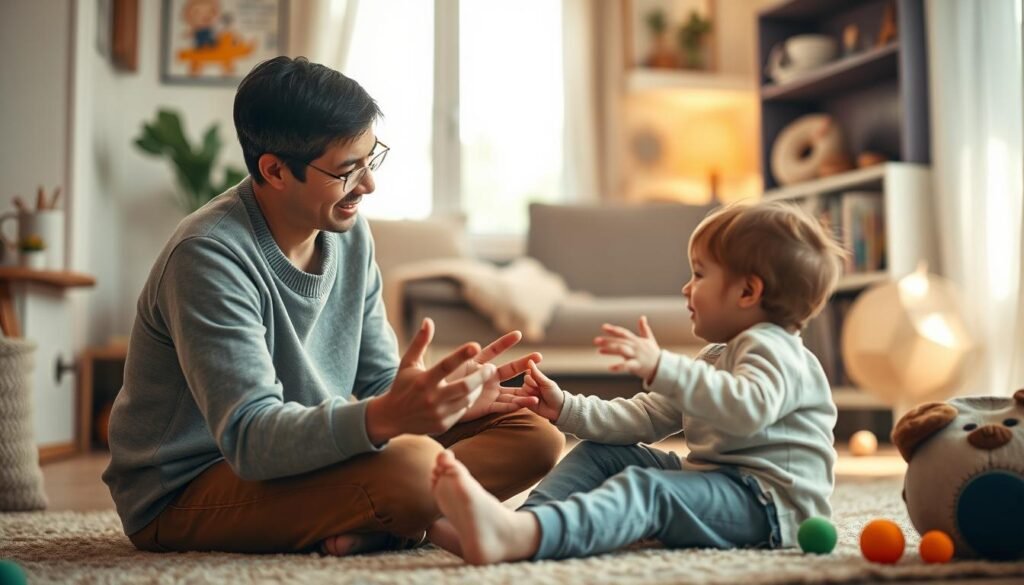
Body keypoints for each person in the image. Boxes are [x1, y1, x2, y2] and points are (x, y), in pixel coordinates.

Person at [102, 56, 564, 555]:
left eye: (371, 159)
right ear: (275, 170)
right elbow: (251, 439)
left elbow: (378, 384)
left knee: (534, 436)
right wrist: (389, 419)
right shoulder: (208, 256)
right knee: (414, 466)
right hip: (192, 487)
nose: (368, 186)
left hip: (314, 458)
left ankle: (383, 526)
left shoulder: (348, 234)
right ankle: (408, 520)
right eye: (347, 171)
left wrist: (445, 402)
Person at [428, 200, 845, 564]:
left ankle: (526, 537)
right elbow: (646, 417)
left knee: (648, 490)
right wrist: (565, 407)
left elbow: (747, 410)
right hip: (718, 481)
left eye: (699, 275)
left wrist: (666, 368)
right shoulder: (718, 355)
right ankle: (523, 525)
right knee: (602, 454)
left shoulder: (775, 350)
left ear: (748, 292)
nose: (686, 288)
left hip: (770, 507)